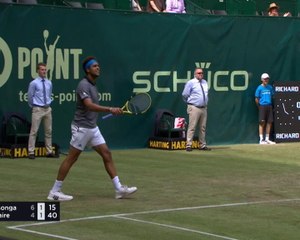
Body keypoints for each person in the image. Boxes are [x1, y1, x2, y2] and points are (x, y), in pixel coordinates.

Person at [47, 56, 137, 201]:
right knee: (72, 158)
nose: (98, 68)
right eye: (95, 66)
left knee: (107, 154)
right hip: (81, 128)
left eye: (98, 65)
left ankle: (119, 189)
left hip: (92, 128)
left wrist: (111, 110)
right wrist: (110, 109)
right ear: (88, 69)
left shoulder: (93, 85)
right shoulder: (83, 85)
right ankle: (54, 191)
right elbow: (89, 105)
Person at [27, 63, 55, 159]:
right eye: (42, 69)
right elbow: (30, 96)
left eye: (45, 69)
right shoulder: (34, 83)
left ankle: (49, 151)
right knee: (34, 131)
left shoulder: (49, 83)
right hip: (37, 109)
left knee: (48, 131)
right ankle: (31, 152)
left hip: (47, 109)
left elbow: (49, 94)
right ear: (38, 71)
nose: (44, 71)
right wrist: (34, 106)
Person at [182, 68, 210, 152]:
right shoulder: (191, 82)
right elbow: (185, 94)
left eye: (202, 73)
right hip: (194, 107)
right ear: (195, 74)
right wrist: (190, 103)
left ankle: (202, 145)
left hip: (204, 108)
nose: (200, 74)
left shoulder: (205, 82)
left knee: (202, 128)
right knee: (192, 127)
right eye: (199, 73)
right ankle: (188, 145)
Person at [255, 73, 276, 145]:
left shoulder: (270, 87)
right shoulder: (259, 88)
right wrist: (259, 106)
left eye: (267, 79)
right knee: (262, 122)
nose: (266, 80)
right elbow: (256, 99)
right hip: (262, 106)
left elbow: (272, 96)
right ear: (262, 80)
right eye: (265, 79)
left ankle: (267, 139)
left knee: (269, 122)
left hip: (269, 106)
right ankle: (261, 140)